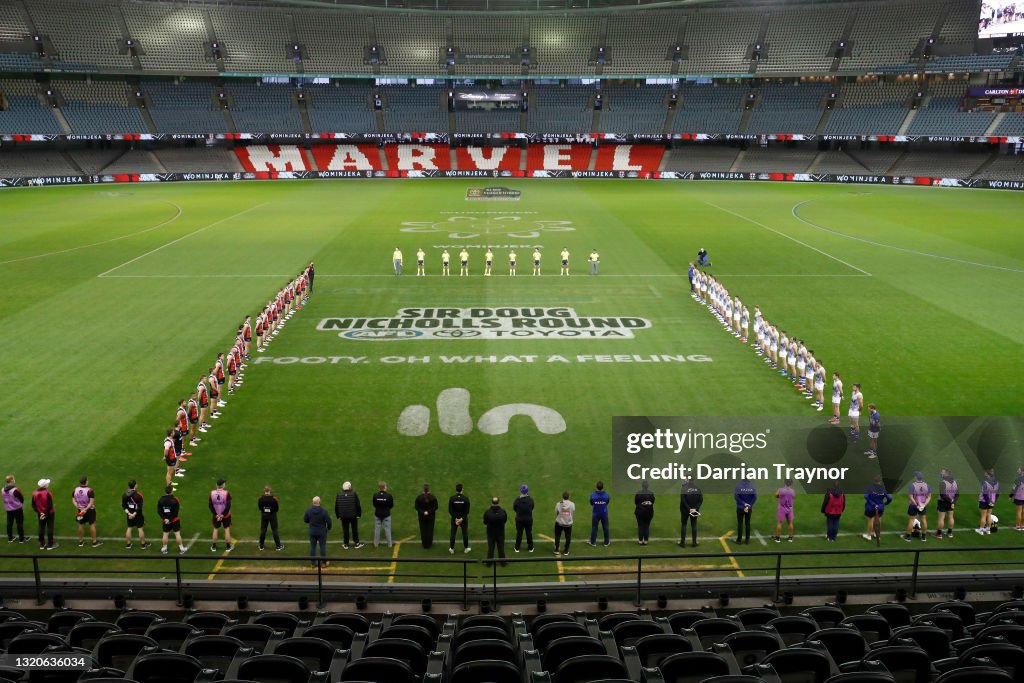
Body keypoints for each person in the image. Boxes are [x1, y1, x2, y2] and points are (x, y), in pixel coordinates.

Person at [71, 476, 100, 548]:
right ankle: (94, 542)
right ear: (86, 481)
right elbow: (91, 503)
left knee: (81, 524)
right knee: (92, 524)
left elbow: (73, 500)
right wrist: (85, 509)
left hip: (80, 510)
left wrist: (78, 507)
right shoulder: (90, 490)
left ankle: (80, 542)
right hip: (90, 510)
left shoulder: (75, 489)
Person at [157, 484, 186, 554]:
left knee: (165, 534)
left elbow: (159, 511)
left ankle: (164, 549)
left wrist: (165, 519)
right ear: (171, 491)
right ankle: (182, 548)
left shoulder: (161, 499)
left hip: (165, 521)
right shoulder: (175, 500)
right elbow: (175, 512)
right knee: (177, 534)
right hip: (174, 520)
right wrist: (169, 519)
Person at [304, 496, 332, 568]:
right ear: (319, 502)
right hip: (321, 532)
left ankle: (313, 563)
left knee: (312, 547)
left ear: (312, 502)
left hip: (312, 531)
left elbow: (305, 520)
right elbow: (328, 521)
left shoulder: (308, 510)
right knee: (322, 546)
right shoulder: (323, 511)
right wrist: (328, 528)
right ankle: (323, 563)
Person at [335, 481, 363, 549]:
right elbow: (358, 505)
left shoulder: (339, 495)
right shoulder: (354, 494)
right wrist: (359, 514)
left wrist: (338, 515)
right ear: (350, 487)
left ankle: (346, 544)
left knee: (345, 530)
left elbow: (336, 506)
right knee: (354, 529)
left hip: (343, 516)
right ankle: (356, 543)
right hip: (353, 516)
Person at [863, 476, 892, 544]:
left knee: (870, 520)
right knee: (879, 519)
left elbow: (866, 496)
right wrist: (885, 504)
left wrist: (872, 503)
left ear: (874, 481)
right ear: (880, 482)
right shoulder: (883, 489)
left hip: (871, 507)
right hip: (880, 507)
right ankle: (877, 534)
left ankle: (868, 535)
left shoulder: (870, 488)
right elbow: (890, 498)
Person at [904, 472, 931, 542]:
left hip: (913, 505)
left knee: (911, 520)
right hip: (922, 506)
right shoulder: (927, 485)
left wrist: (916, 504)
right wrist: (924, 505)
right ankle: (923, 537)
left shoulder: (912, 486)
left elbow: (910, 496)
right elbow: (929, 497)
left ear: (916, 477)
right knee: (923, 520)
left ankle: (908, 537)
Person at [209, 479, 234, 553]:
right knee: (226, 530)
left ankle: (213, 547)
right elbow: (228, 506)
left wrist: (216, 515)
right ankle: (228, 547)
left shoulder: (212, 493)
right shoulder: (226, 493)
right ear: (223, 485)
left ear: (216, 485)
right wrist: (223, 515)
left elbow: (210, 506)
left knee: (215, 529)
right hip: (226, 516)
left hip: (216, 515)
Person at [122, 479, 148, 550]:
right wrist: (134, 514)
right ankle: (143, 545)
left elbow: (124, 506)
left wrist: (129, 514)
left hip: (129, 515)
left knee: (129, 528)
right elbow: (139, 507)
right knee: (140, 528)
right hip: (137, 515)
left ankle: (128, 544)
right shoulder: (139, 495)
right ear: (135, 485)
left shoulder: (124, 494)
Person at [32, 479, 56, 550]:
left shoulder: (34, 493)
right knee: (50, 527)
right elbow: (50, 505)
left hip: (40, 513)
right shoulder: (47, 493)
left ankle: (42, 544)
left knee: (41, 527)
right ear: (45, 485)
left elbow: (33, 505)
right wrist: (45, 513)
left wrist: (40, 513)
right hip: (49, 513)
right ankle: (50, 545)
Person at [483, 496, 508, 566]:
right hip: (500, 533)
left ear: (492, 502)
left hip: (490, 533)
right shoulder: (503, 512)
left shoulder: (487, 512)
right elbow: (505, 521)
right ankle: (503, 563)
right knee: (501, 547)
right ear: (498, 502)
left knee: (491, 548)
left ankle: (489, 563)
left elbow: (485, 522)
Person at [935, 468, 959, 539]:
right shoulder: (955, 482)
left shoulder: (943, 483)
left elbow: (943, 495)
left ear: (946, 474)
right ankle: (950, 533)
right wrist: (953, 502)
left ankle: (939, 534)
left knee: (941, 518)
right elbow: (957, 494)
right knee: (951, 517)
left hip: (943, 502)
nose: (941, 474)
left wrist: (950, 501)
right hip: (951, 503)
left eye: (942, 473)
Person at [258, 485, 283, 551]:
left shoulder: (260, 498)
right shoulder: (274, 498)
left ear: (264, 490)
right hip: (272, 516)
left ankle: (261, 546)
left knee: (263, 530)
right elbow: (277, 509)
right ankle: (278, 546)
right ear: (270, 490)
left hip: (264, 515)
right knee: (274, 530)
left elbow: (260, 507)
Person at [448, 483, 471, 554]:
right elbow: (467, 511)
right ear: (462, 489)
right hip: (463, 520)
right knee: (465, 534)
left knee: (453, 534)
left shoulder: (452, 498)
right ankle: (466, 548)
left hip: (454, 519)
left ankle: (452, 548)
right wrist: (461, 519)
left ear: (456, 490)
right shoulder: (466, 499)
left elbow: (450, 510)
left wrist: (455, 518)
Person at [3, 475, 27, 544]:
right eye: (13, 479)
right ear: (11, 480)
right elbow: (21, 498)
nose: (14, 480)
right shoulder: (15, 490)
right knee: (19, 523)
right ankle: (21, 539)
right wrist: (21, 504)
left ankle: (10, 538)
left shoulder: (2, 489)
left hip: (8, 509)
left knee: (9, 523)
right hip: (17, 509)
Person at [680, 479, 703, 547]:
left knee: (684, 525)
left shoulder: (684, 489)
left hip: (685, 510)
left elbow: (683, 500)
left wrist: (689, 509)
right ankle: (694, 542)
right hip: (694, 511)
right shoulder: (698, 489)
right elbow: (701, 500)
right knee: (694, 525)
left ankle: (682, 543)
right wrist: (695, 508)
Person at [414, 483, 438, 549]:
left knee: (423, 530)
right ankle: (429, 544)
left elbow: (416, 507)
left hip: (422, 516)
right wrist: (428, 512)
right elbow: (436, 507)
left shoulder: (419, 497)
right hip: (431, 517)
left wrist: (423, 512)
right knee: (430, 530)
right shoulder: (433, 497)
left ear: (423, 490)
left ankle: (424, 544)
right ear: (429, 490)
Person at [734, 477, 757, 544]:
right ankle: (747, 540)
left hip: (740, 507)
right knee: (747, 523)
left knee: (740, 523)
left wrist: (744, 504)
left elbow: (736, 497)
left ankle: (739, 540)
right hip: (749, 508)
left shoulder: (738, 485)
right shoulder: (752, 486)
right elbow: (755, 497)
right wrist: (749, 505)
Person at [977, 468, 999, 535]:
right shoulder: (997, 483)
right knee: (988, 515)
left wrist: (988, 501)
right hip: (992, 501)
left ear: (988, 475)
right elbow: (997, 494)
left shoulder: (985, 482)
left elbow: (985, 494)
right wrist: (994, 501)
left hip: (984, 501)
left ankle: (981, 530)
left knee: (983, 516)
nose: (984, 474)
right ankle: (988, 530)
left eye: (985, 473)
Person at [513, 484, 534, 553]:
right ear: (527, 491)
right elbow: (532, 508)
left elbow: (515, 508)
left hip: (519, 519)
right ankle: (530, 548)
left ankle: (517, 548)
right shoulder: (531, 500)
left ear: (521, 491)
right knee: (529, 533)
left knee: (519, 533)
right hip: (528, 519)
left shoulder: (517, 500)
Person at [372, 481, 394, 548]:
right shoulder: (389, 496)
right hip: (386, 514)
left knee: (377, 529)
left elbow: (374, 504)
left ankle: (376, 544)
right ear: (385, 487)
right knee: (387, 529)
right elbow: (391, 505)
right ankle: (390, 544)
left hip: (378, 514)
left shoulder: (375, 495)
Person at [588, 481, 610, 547]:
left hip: (596, 513)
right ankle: (606, 542)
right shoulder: (606, 495)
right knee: (605, 527)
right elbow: (607, 502)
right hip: (604, 513)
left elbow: (591, 503)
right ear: (603, 487)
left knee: (594, 527)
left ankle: (593, 542)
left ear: (596, 487)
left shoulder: (593, 495)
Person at [554, 491, 574, 556]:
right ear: (568, 497)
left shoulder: (558, 504)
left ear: (562, 497)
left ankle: (557, 549)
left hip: (559, 523)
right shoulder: (572, 504)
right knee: (568, 537)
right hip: (568, 524)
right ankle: (566, 551)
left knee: (557, 536)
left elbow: (556, 512)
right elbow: (572, 511)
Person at [634, 481, 655, 545]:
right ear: (648, 486)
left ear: (642, 486)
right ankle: (646, 540)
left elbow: (636, 502)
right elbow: (653, 502)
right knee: (646, 526)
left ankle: (640, 540)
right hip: (649, 512)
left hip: (640, 512)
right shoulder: (651, 493)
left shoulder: (638, 493)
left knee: (640, 526)